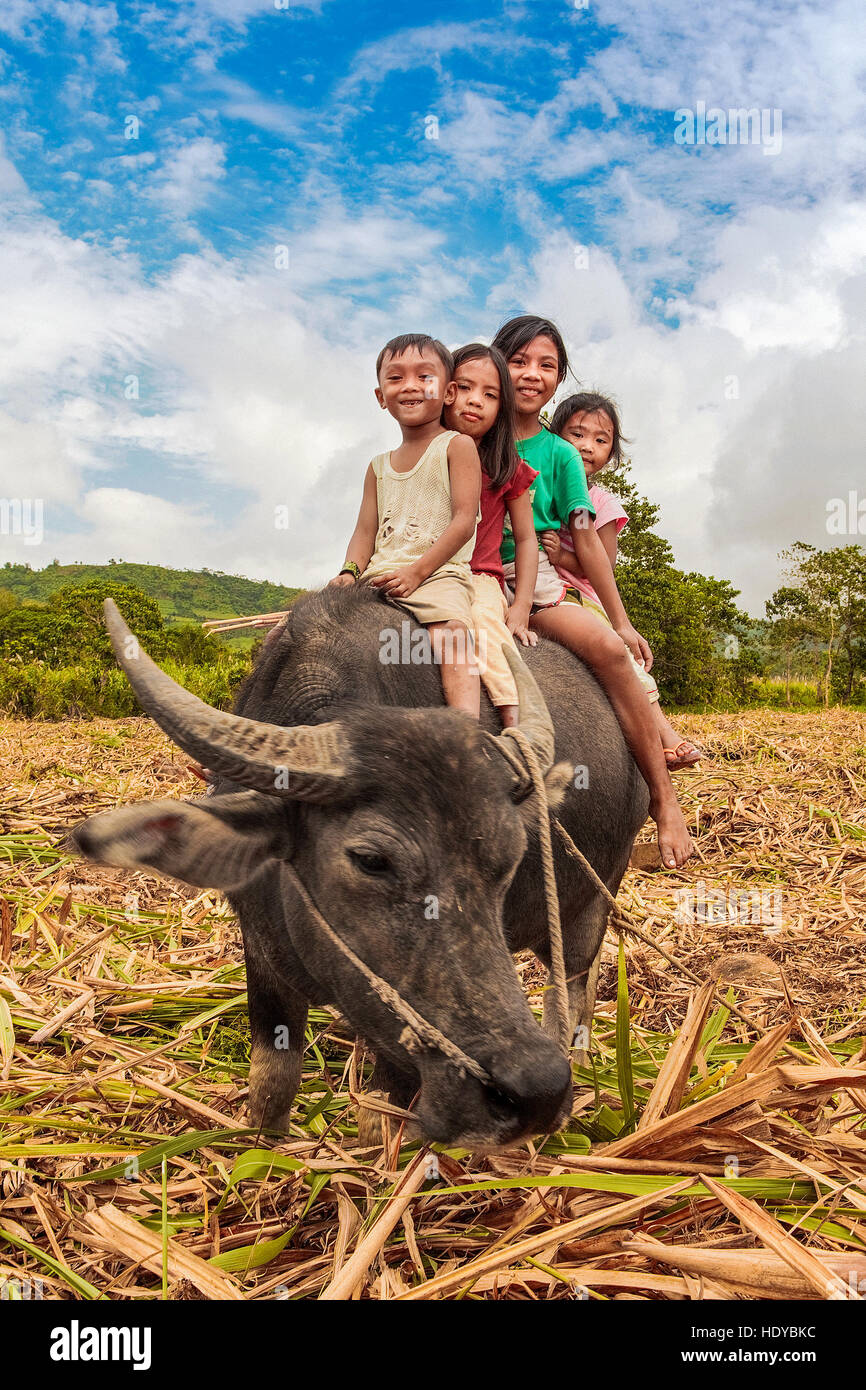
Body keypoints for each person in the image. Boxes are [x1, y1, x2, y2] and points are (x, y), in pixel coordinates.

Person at [490, 313, 693, 869]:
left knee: (607, 648)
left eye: (547, 365)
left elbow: (584, 533)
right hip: (466, 573)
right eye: (520, 361)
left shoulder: (559, 454)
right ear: (496, 364)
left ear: (558, 379)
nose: (532, 374)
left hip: (535, 582)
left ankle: (662, 798)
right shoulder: (470, 432)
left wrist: (621, 621)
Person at [544, 391, 705, 771]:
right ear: (555, 437)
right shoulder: (543, 487)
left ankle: (666, 738)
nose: (587, 447)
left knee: (623, 661)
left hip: (580, 593)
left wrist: (560, 556)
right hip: (539, 583)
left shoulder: (600, 503)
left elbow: (601, 563)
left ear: (612, 453)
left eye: (601, 440)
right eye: (577, 435)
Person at [329, 333, 482, 716]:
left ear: (448, 392)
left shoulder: (457, 446)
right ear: (381, 396)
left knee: (452, 637)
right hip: (379, 577)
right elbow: (365, 532)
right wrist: (349, 573)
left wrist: (417, 572)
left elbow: (464, 522)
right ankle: (252, 741)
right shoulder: (377, 466)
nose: (410, 386)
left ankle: (467, 736)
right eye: (395, 378)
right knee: (294, 631)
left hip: (438, 575)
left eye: (424, 376)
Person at [443, 342, 538, 727]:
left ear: (502, 407)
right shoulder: (424, 453)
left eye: (490, 394)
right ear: (446, 391)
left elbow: (527, 539)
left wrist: (521, 607)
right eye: (464, 387)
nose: (475, 401)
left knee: (483, 622)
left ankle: (516, 721)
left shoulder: (508, 466)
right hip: (424, 570)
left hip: (477, 577)